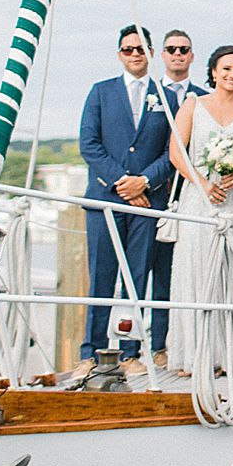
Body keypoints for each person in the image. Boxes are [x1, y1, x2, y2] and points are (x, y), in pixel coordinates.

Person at [167, 45, 233, 376]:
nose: (232, 75)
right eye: (226, 69)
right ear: (213, 71)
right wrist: (200, 182)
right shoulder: (193, 105)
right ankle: (195, 355)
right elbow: (176, 152)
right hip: (200, 199)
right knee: (196, 272)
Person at [77, 26, 176, 364]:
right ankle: (89, 352)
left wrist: (144, 182)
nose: (135, 54)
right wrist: (124, 182)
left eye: (140, 48)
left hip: (147, 203)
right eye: (128, 49)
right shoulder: (100, 92)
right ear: (120, 54)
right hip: (106, 200)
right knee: (101, 278)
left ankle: (131, 353)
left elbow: (172, 151)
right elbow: (89, 145)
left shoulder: (167, 98)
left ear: (149, 52)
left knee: (137, 278)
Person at [150, 29, 205, 364]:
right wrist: (140, 183)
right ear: (163, 54)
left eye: (184, 49)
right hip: (148, 195)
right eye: (171, 49)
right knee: (144, 274)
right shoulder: (150, 93)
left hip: (188, 195)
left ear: (192, 56)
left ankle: (168, 345)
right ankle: (140, 346)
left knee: (176, 275)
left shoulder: (203, 98)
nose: (178, 54)